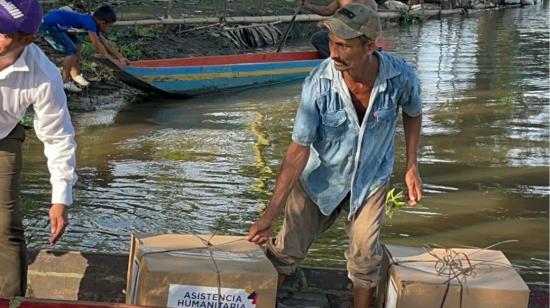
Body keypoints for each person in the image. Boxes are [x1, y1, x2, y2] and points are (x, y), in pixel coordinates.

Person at [247, 3, 422, 307]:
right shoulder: (318, 83)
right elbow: (298, 149)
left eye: (343, 45)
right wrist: (271, 213)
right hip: (319, 179)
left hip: (369, 181)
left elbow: (413, 112)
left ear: (369, 46)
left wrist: (411, 166)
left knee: (365, 258)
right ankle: (260, 302)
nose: (334, 53)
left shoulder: (400, 77)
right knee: (286, 252)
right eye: (331, 43)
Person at [0, 0, 77, 296]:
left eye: (3, 33)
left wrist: (61, 198)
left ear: (27, 40)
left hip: (3, 137)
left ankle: (11, 300)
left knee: (5, 226)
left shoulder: (43, 76)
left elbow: (58, 137)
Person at [39, 5, 129, 92]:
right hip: (49, 26)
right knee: (71, 51)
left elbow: (105, 42)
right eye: (108, 26)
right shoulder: (90, 22)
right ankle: (64, 81)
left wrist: (120, 57)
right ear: (102, 22)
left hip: (60, 25)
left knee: (77, 45)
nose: (108, 28)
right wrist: (110, 59)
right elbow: (96, 43)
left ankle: (75, 75)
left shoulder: (93, 22)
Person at [298, 0, 378, 58]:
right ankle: (335, 59)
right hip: (341, 34)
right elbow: (327, 10)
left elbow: (371, 27)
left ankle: (345, 59)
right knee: (318, 38)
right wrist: (308, 6)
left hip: (359, 36)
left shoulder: (369, 3)